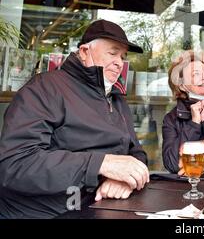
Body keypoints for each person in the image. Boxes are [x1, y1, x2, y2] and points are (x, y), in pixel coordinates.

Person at [0, 19, 150, 218]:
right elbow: (14, 164)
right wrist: (101, 164)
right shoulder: (45, 88)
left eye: (122, 56)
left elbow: (137, 153)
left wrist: (122, 179)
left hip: (101, 207)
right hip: (48, 212)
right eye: (113, 53)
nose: (119, 63)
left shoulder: (115, 98)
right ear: (85, 52)